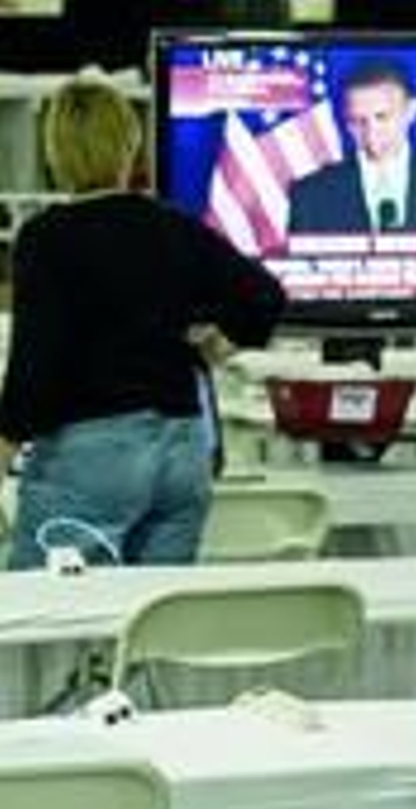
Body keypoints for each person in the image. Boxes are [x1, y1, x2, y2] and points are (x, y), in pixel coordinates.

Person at [0, 75, 285, 569]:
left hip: (92, 458)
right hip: (183, 454)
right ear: (130, 145)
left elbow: (36, 364)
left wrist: (4, 443)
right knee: (150, 626)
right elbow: (265, 297)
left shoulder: (47, 239)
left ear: (55, 152)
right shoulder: (175, 227)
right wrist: (219, 343)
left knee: (34, 626)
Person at [286, 58, 416, 250]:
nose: (371, 131)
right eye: (358, 121)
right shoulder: (311, 194)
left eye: (382, 117)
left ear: (411, 111)